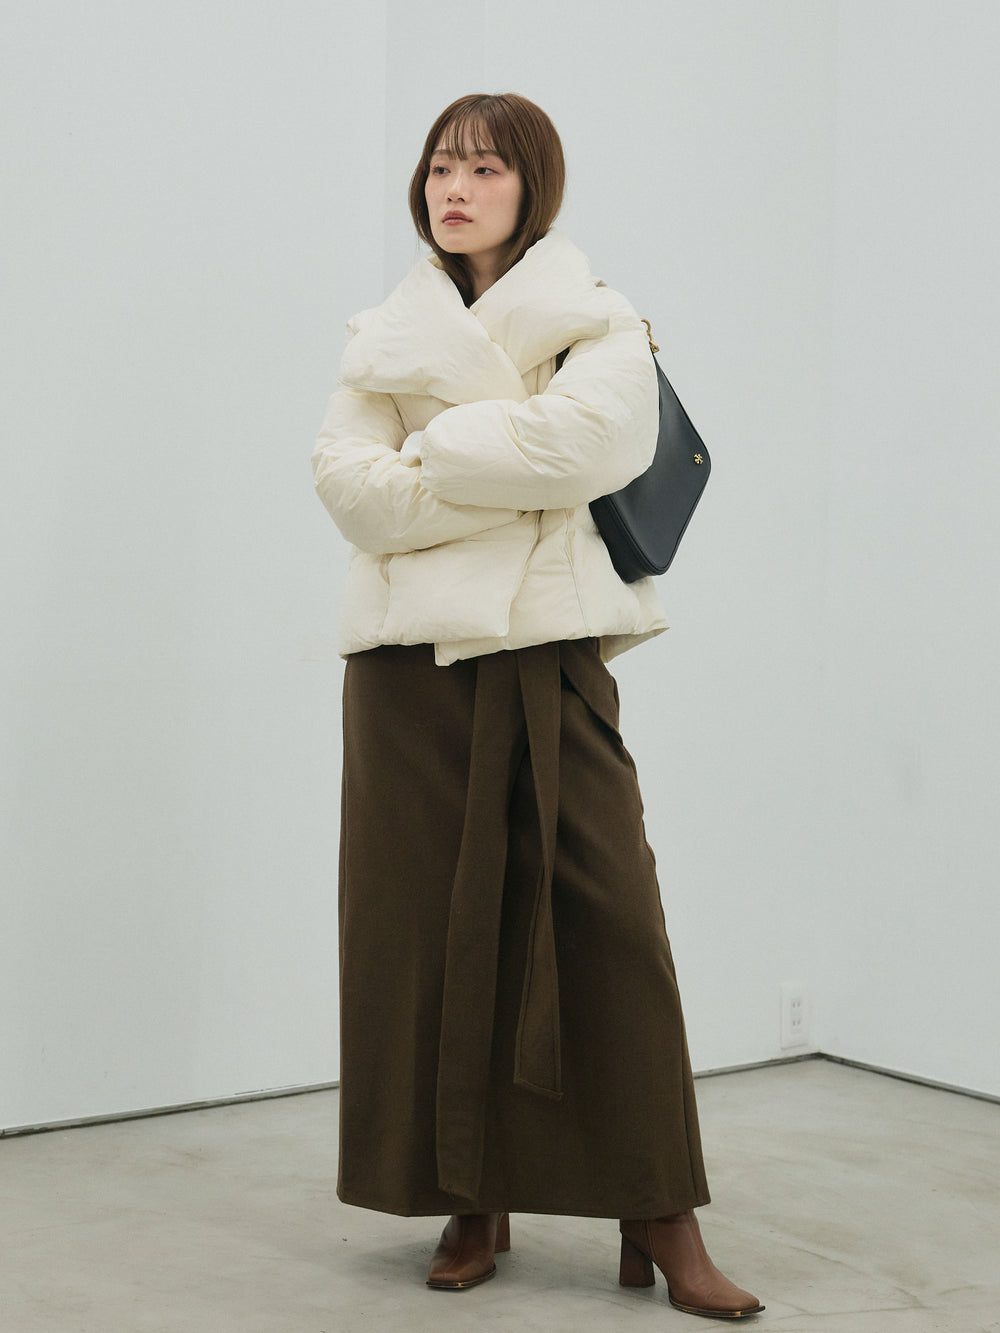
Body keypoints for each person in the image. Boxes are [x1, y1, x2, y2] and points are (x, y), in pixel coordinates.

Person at [311, 92, 763, 1320]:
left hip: (546, 655)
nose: (454, 190)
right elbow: (350, 492)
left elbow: (591, 451)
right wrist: (502, 461)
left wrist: (430, 451)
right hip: (405, 674)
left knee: (612, 932)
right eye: (439, 168)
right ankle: (471, 1195)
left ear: (533, 188)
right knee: (425, 937)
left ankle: (658, 1212)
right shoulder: (380, 335)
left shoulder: (598, 320)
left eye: (483, 169)